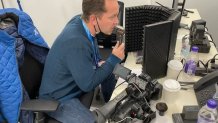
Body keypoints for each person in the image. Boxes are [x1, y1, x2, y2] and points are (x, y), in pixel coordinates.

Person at [39, 0, 125, 122]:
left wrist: (99, 63)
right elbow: (87, 85)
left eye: (117, 15)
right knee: (93, 121)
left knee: (109, 71)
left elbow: (90, 47)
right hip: (59, 99)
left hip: (75, 82)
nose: (117, 21)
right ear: (94, 19)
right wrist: (114, 59)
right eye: (112, 17)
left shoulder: (81, 21)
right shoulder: (76, 41)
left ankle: (109, 104)